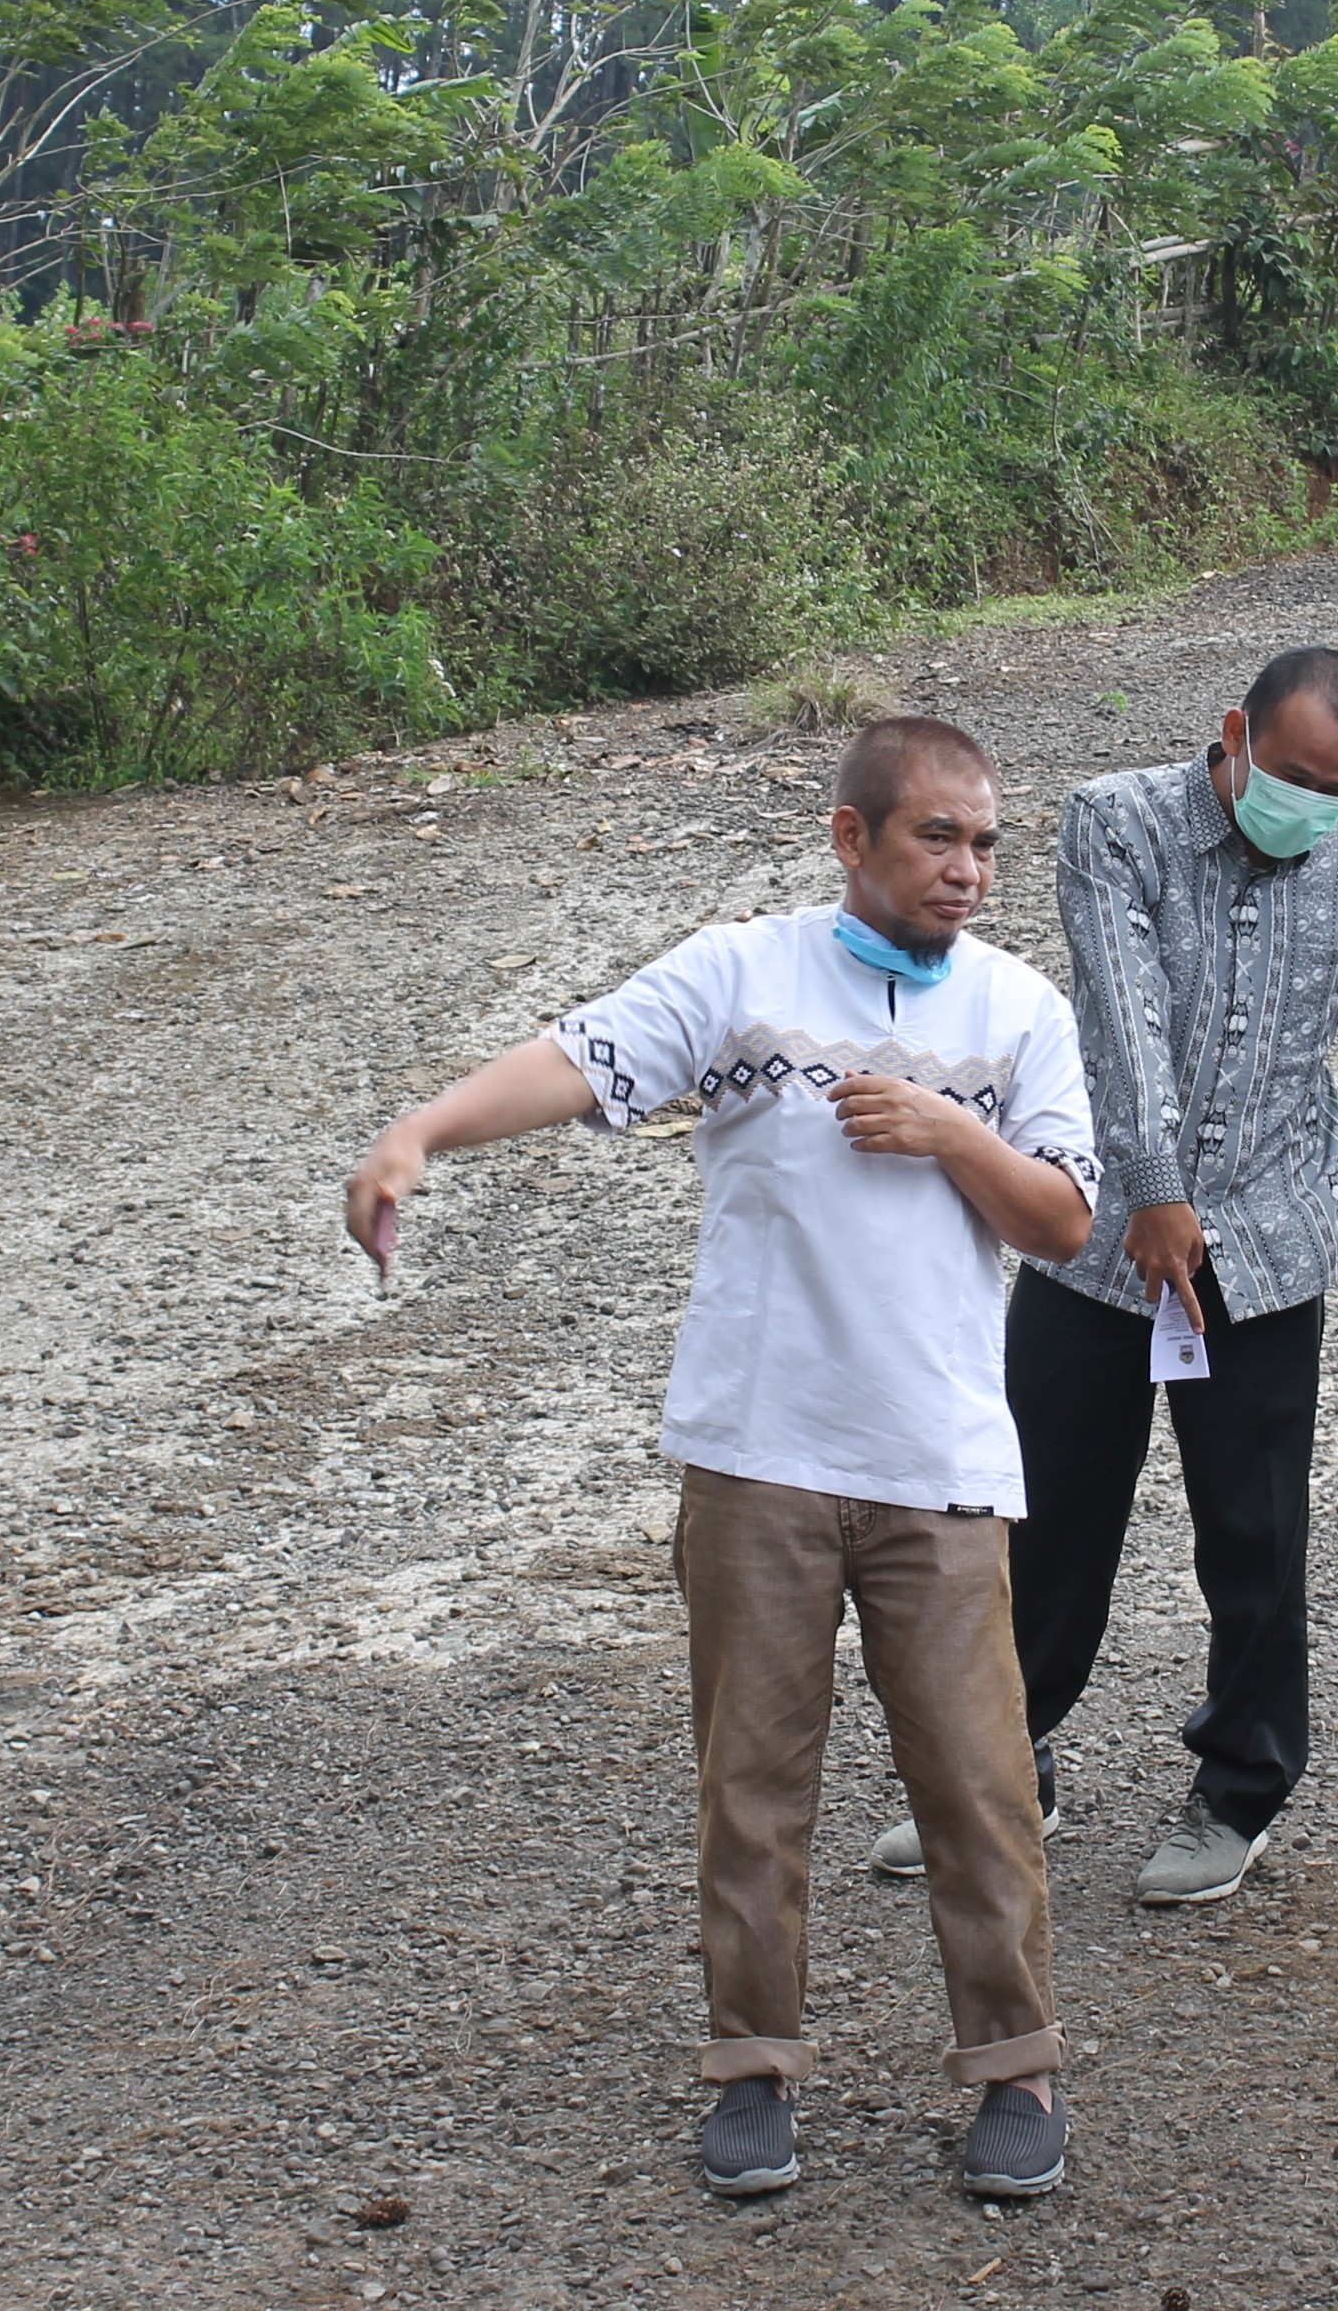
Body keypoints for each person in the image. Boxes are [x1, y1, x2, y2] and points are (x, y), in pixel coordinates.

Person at [343, 715, 1100, 2203]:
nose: (965, 869)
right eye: (934, 837)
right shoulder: (743, 973)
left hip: (939, 1459)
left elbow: (1061, 1221)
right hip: (757, 1451)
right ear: (849, 838)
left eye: (983, 841)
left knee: (977, 1785)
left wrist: (950, 1132)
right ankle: (751, 2069)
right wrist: (417, 1133)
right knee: (753, 1785)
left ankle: (1015, 2071)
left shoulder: (1020, 1012)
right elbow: (580, 1060)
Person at [866, 645, 1338, 1903]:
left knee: (1253, 1533)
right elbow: (1125, 1011)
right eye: (1296, 774)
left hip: (1264, 1256)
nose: (1312, 805)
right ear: (1234, 734)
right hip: (1094, 1241)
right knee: (1039, 1513)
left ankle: (1241, 1786)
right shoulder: (1117, 822)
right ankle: (1000, 1761)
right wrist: (1153, 1192)